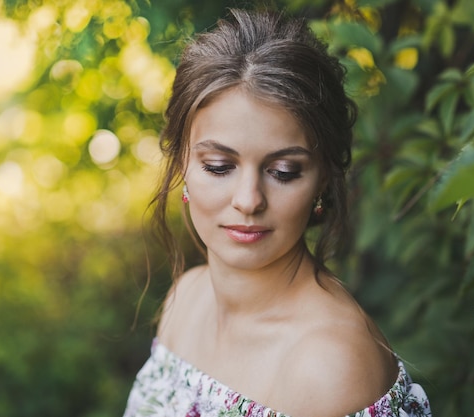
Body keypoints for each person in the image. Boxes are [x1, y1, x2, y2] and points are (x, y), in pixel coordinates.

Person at [123, 8, 431, 417]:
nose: (249, 200)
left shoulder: (329, 366)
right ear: (182, 163)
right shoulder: (186, 299)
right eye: (219, 166)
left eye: (284, 172)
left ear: (322, 178)